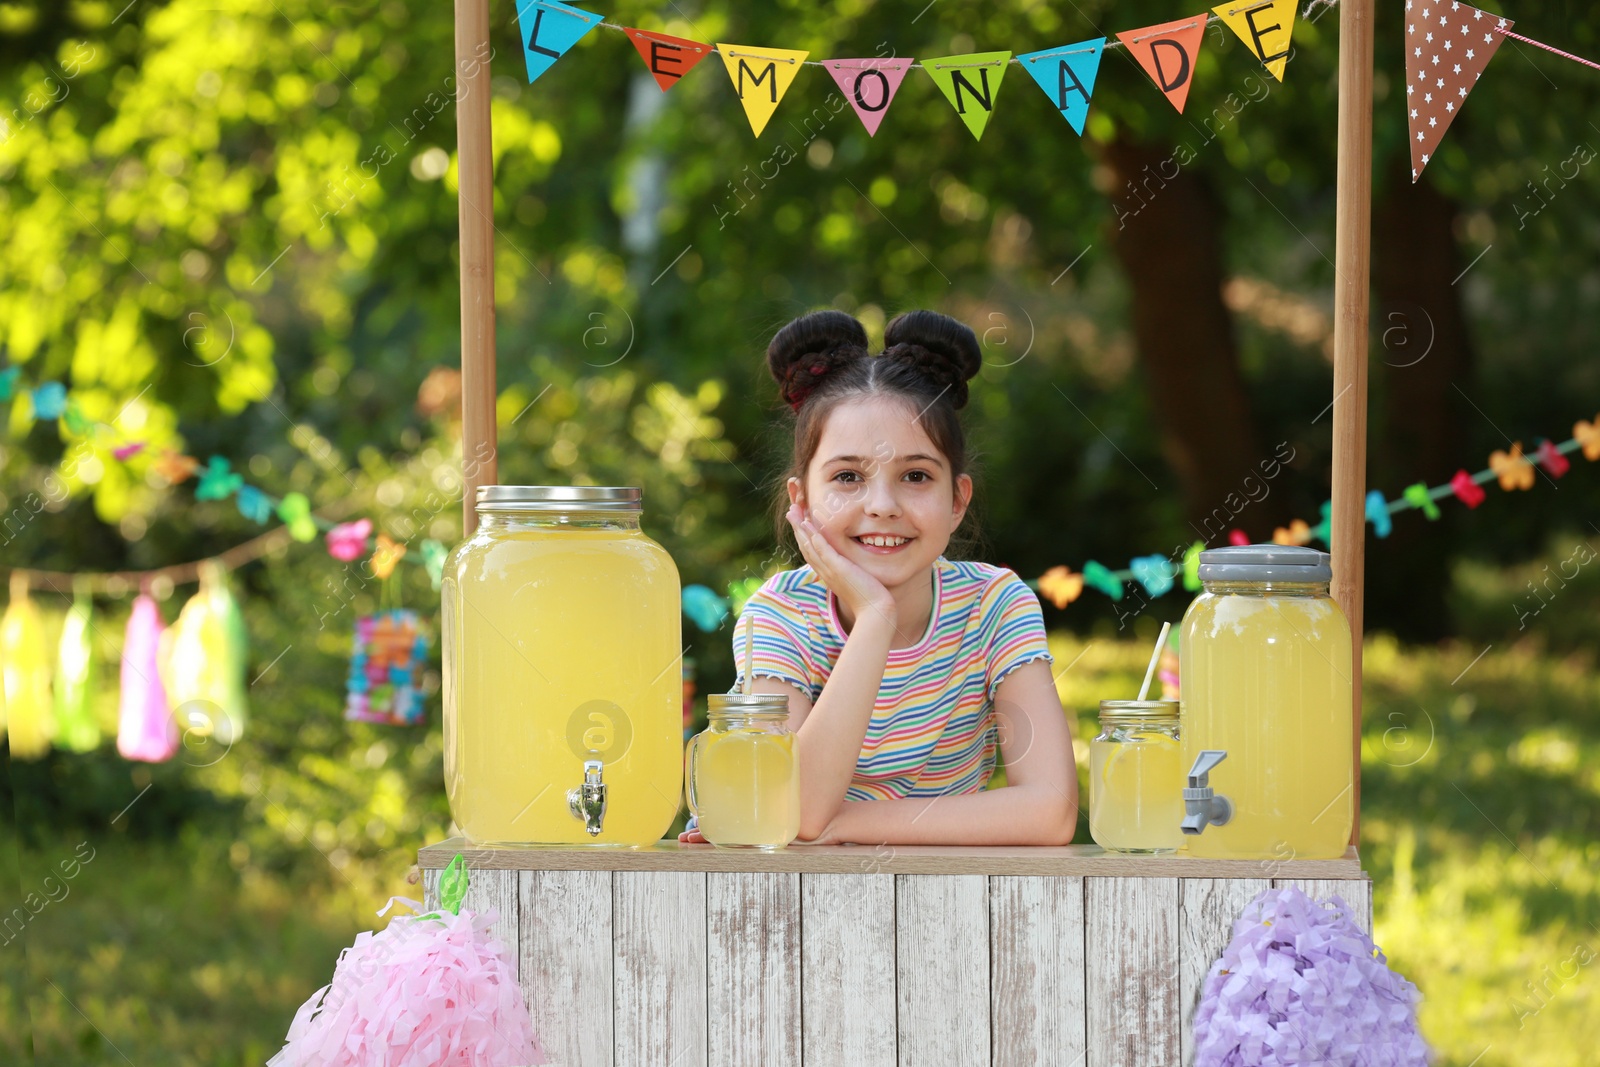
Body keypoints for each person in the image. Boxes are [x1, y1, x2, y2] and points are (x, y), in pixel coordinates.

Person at [681, 309, 1078, 846]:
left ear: (957, 500)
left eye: (915, 476)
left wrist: (848, 824)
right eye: (848, 477)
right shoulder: (779, 618)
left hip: (947, 898)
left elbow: (1051, 811)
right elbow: (799, 807)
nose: (883, 505)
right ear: (802, 501)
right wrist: (875, 617)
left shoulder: (994, 606)